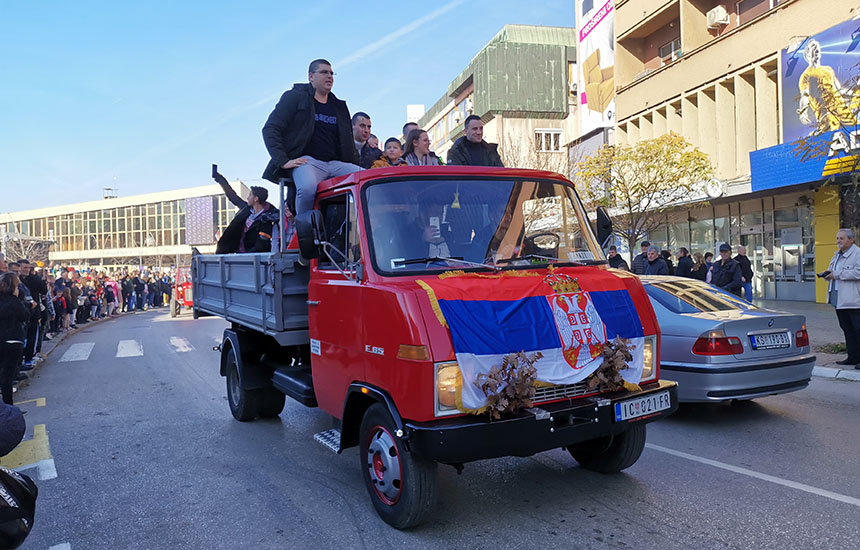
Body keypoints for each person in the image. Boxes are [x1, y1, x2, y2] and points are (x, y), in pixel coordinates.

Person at [261, 58, 361, 216]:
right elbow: (270, 129)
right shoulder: (295, 97)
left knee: (366, 178)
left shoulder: (339, 106)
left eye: (331, 73)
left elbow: (347, 142)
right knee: (307, 188)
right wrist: (283, 161)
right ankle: (304, 228)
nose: (329, 76)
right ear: (311, 76)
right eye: (324, 72)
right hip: (307, 162)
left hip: (334, 164)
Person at [824, 228, 860, 369]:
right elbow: (832, 270)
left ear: (851, 240)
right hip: (838, 299)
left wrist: (836, 274)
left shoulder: (857, 254)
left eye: (842, 238)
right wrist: (827, 274)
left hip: (853, 300)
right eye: (837, 238)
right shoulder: (837, 255)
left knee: (858, 330)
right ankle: (853, 357)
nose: (838, 241)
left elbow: (857, 273)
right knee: (847, 329)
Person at [213, 178, 279, 254]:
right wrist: (221, 180)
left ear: (256, 199)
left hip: (251, 257)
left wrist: (247, 255)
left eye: (250, 195)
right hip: (237, 253)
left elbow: (261, 246)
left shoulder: (266, 220)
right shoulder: (246, 209)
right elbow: (233, 197)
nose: (248, 198)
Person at [0, 273, 31, 405]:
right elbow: (24, 317)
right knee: (7, 376)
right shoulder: (15, 302)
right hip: (13, 340)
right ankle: (8, 407)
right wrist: (28, 306)